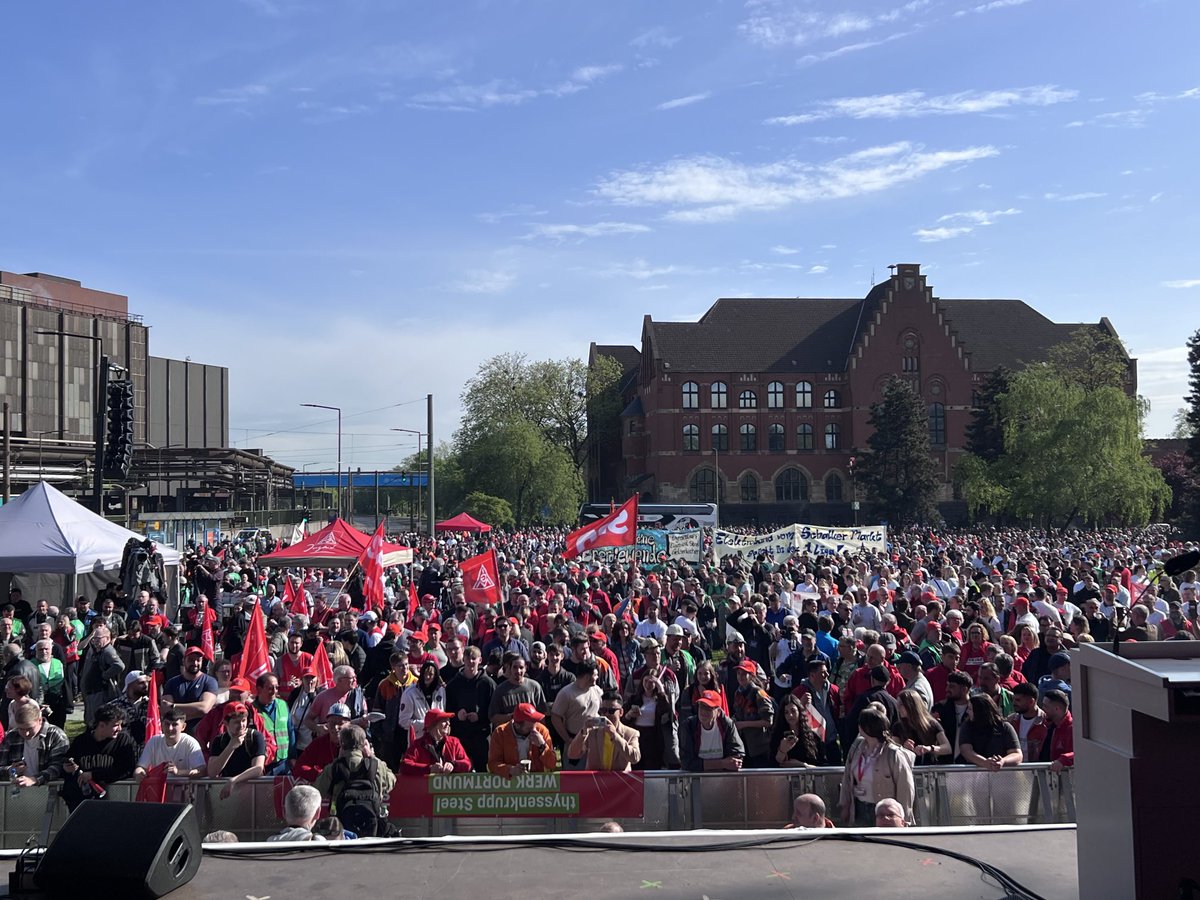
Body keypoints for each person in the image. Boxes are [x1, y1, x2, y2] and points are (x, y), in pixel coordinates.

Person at [315, 724, 397, 837]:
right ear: (364, 744)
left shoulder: (334, 768)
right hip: (372, 826)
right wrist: (372, 756)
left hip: (342, 829)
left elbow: (317, 790)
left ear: (342, 744)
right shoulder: (375, 766)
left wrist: (338, 760)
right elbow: (391, 781)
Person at [839, 708, 915, 826]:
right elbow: (847, 778)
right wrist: (844, 804)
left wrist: (904, 816)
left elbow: (905, 787)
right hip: (858, 807)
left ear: (867, 727)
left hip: (884, 811)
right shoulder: (857, 746)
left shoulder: (893, 753)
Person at [61, 704, 138, 811]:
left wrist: (93, 775)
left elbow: (126, 769)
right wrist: (67, 768)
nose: (120, 729)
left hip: (116, 803)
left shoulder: (123, 741)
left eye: (121, 725)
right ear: (101, 725)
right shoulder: (81, 741)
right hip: (82, 804)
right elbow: (67, 763)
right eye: (116, 725)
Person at [444, 646, 494, 772]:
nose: (471, 662)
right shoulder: (453, 684)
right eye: (468, 658)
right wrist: (456, 714)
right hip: (460, 734)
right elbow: (446, 709)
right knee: (460, 769)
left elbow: (494, 709)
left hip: (481, 735)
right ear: (464, 660)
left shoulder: (488, 683)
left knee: (482, 769)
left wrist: (480, 715)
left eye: (474, 658)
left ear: (480, 660)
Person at [206, 701, 268, 799]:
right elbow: (212, 772)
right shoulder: (219, 741)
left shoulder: (255, 737)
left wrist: (234, 780)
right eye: (236, 722)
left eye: (243, 720)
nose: (242, 725)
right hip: (229, 794)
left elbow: (258, 769)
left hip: (252, 792)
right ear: (226, 723)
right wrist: (231, 747)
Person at [567, 690, 640, 771]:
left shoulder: (631, 733)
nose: (607, 714)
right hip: (596, 781)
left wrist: (615, 736)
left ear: (621, 712)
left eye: (611, 711)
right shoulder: (592, 731)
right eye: (603, 711)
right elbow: (572, 754)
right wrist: (583, 731)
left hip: (619, 782)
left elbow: (635, 758)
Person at [680, 690, 745, 772]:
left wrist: (704, 765)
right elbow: (686, 763)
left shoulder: (727, 725)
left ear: (718, 712)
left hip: (723, 777)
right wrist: (722, 763)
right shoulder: (689, 725)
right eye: (701, 706)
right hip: (697, 777)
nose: (703, 712)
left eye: (708, 708)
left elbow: (736, 757)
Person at [551, 659, 602, 762]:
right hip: (575, 738)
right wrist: (567, 739)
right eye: (595, 675)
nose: (597, 677)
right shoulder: (566, 693)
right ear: (587, 676)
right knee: (574, 774)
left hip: (595, 739)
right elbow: (555, 717)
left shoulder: (597, 690)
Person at [135, 707, 205, 781]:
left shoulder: (190, 742)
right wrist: (139, 774)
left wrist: (178, 772)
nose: (170, 728)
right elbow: (140, 767)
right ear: (162, 724)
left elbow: (202, 770)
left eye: (174, 724)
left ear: (183, 726)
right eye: (167, 724)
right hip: (158, 789)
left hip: (183, 790)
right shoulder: (154, 741)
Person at [487, 702, 557, 777]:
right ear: (517, 725)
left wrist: (542, 745)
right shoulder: (500, 733)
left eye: (535, 721)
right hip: (510, 784)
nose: (534, 727)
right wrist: (510, 770)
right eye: (529, 728)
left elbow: (552, 764)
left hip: (535, 783)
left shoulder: (542, 731)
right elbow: (493, 764)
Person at [958, 694, 1022, 772]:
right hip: (972, 776)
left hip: (1001, 776)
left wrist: (1002, 761)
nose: (967, 711)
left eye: (970, 709)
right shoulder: (967, 726)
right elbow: (966, 751)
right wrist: (985, 763)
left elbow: (1017, 754)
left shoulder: (1005, 727)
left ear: (980, 711)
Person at [162, 646, 219, 733]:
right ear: (183, 661)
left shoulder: (210, 681)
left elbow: (204, 708)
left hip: (201, 735)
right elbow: (167, 712)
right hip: (176, 735)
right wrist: (195, 712)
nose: (195, 663)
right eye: (191, 660)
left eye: (198, 660)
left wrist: (174, 706)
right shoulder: (171, 683)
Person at [731, 659, 775, 768]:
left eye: (744, 674)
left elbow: (768, 721)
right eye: (738, 673)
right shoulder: (738, 693)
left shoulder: (758, 693)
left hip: (759, 746)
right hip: (743, 745)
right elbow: (738, 713)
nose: (740, 676)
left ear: (751, 676)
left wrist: (744, 724)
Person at [400, 708, 472, 775]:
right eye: (444, 720)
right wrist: (429, 768)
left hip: (450, 788)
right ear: (433, 725)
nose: (448, 723)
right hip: (424, 788)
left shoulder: (454, 742)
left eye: (448, 720)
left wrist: (453, 764)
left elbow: (468, 764)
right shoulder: (418, 744)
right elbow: (404, 766)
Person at [293, 703, 352, 782]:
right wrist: (321, 775)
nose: (335, 727)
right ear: (327, 722)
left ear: (349, 724)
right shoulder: (319, 743)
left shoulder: (355, 742)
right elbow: (299, 767)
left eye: (340, 723)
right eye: (332, 723)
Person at [892, 688, 950, 766]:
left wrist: (929, 748)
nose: (898, 708)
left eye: (901, 705)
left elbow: (947, 748)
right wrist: (903, 748)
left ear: (911, 705)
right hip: (907, 769)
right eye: (897, 704)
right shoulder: (898, 727)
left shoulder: (932, 724)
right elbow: (893, 751)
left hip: (928, 769)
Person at [78, 626, 123, 724]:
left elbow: (119, 665)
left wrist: (104, 676)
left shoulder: (108, 651)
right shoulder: (97, 651)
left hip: (101, 693)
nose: (95, 641)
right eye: (94, 638)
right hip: (92, 692)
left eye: (98, 638)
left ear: (107, 638)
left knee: (97, 720)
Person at [397, 660, 446, 744]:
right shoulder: (410, 693)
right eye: (425, 674)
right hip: (418, 741)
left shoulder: (441, 691)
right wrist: (426, 724)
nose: (427, 677)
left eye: (430, 674)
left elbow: (443, 714)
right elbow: (403, 721)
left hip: (438, 740)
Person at [253, 673, 293, 775]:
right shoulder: (252, 710)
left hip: (284, 763)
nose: (274, 691)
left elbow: (290, 730)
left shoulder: (283, 705)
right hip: (264, 764)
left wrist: (293, 756)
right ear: (259, 689)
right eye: (270, 688)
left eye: (276, 687)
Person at [771, 694, 824, 768]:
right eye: (786, 712)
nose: (790, 715)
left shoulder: (812, 736)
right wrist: (782, 751)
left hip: (809, 777)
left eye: (793, 711)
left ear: (799, 711)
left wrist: (802, 765)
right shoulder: (778, 736)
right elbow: (773, 764)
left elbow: (821, 767)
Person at [33, 639, 72, 728]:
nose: (44, 651)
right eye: (41, 649)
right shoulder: (31, 664)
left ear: (51, 650)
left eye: (46, 649)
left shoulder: (58, 663)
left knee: (58, 727)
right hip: (40, 702)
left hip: (57, 702)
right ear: (36, 651)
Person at [1037, 689, 1074, 772]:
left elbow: (1081, 753)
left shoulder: (1072, 729)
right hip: (1042, 773)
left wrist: (1063, 760)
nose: (1042, 709)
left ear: (1057, 709)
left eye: (1045, 706)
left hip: (1061, 778)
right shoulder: (1045, 724)